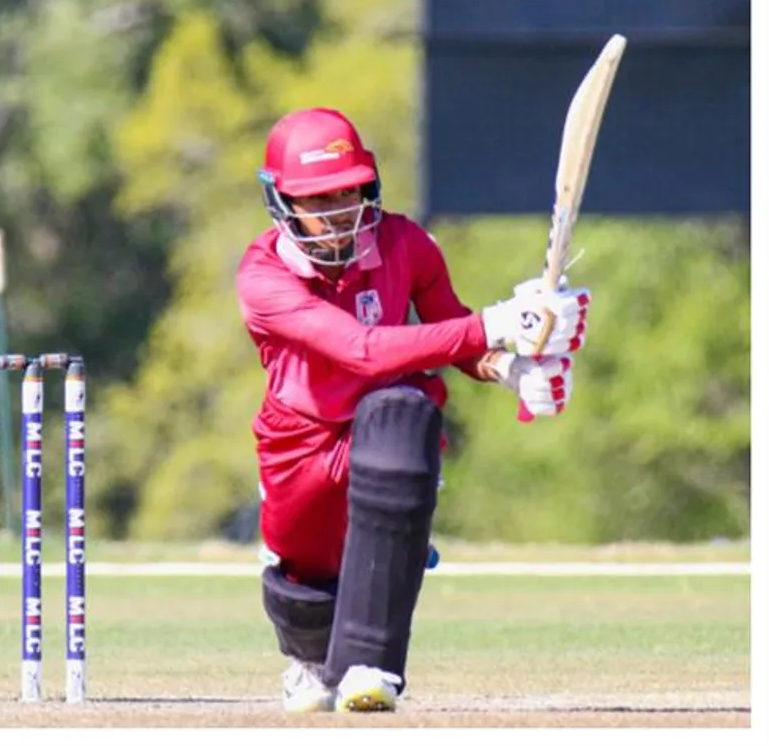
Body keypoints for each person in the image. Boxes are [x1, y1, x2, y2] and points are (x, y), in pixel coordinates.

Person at [235, 107, 590, 713]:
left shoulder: (407, 244)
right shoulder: (263, 277)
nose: (338, 213)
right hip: (300, 438)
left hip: (382, 416)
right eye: (318, 200)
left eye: (348, 194)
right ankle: (311, 658)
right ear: (283, 202)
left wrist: (511, 368)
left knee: (402, 415)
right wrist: (496, 323)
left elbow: (454, 336)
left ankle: (371, 665)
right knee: (305, 587)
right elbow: (361, 349)